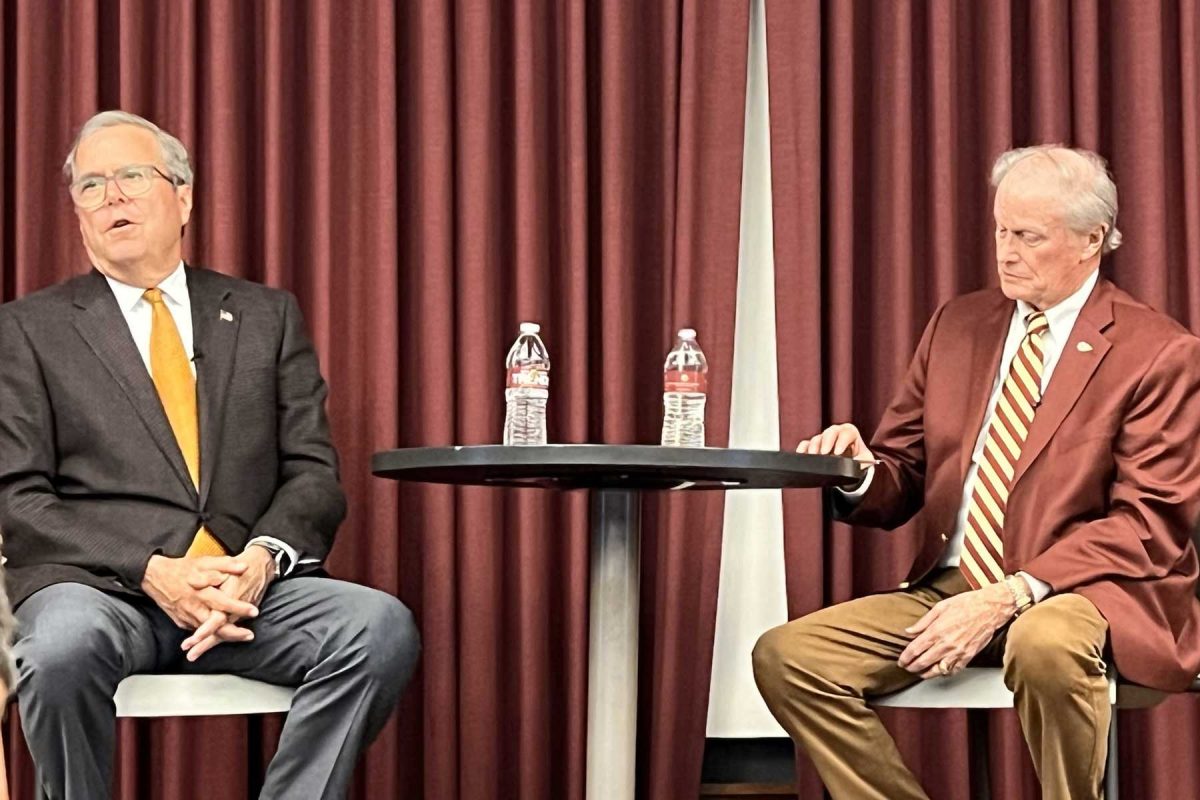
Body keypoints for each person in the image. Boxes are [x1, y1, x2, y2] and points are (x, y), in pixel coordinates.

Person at [752, 145, 1200, 800]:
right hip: (952, 585)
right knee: (789, 658)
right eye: (999, 230)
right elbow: (902, 472)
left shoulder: (1158, 352)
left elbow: (1147, 525)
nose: (1006, 251)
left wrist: (1010, 595)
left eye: (1028, 236)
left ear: (1091, 240)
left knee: (1045, 643)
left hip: (1084, 590)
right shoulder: (958, 325)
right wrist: (854, 469)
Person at [0, 110, 420, 800]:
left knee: (376, 628)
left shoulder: (264, 315)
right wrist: (153, 569)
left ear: (184, 195)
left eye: (132, 177)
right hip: (103, 591)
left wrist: (259, 562)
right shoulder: (26, 330)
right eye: (92, 186)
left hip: (243, 589)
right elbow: (19, 498)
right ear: (77, 213)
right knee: (57, 649)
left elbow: (311, 472)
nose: (113, 198)